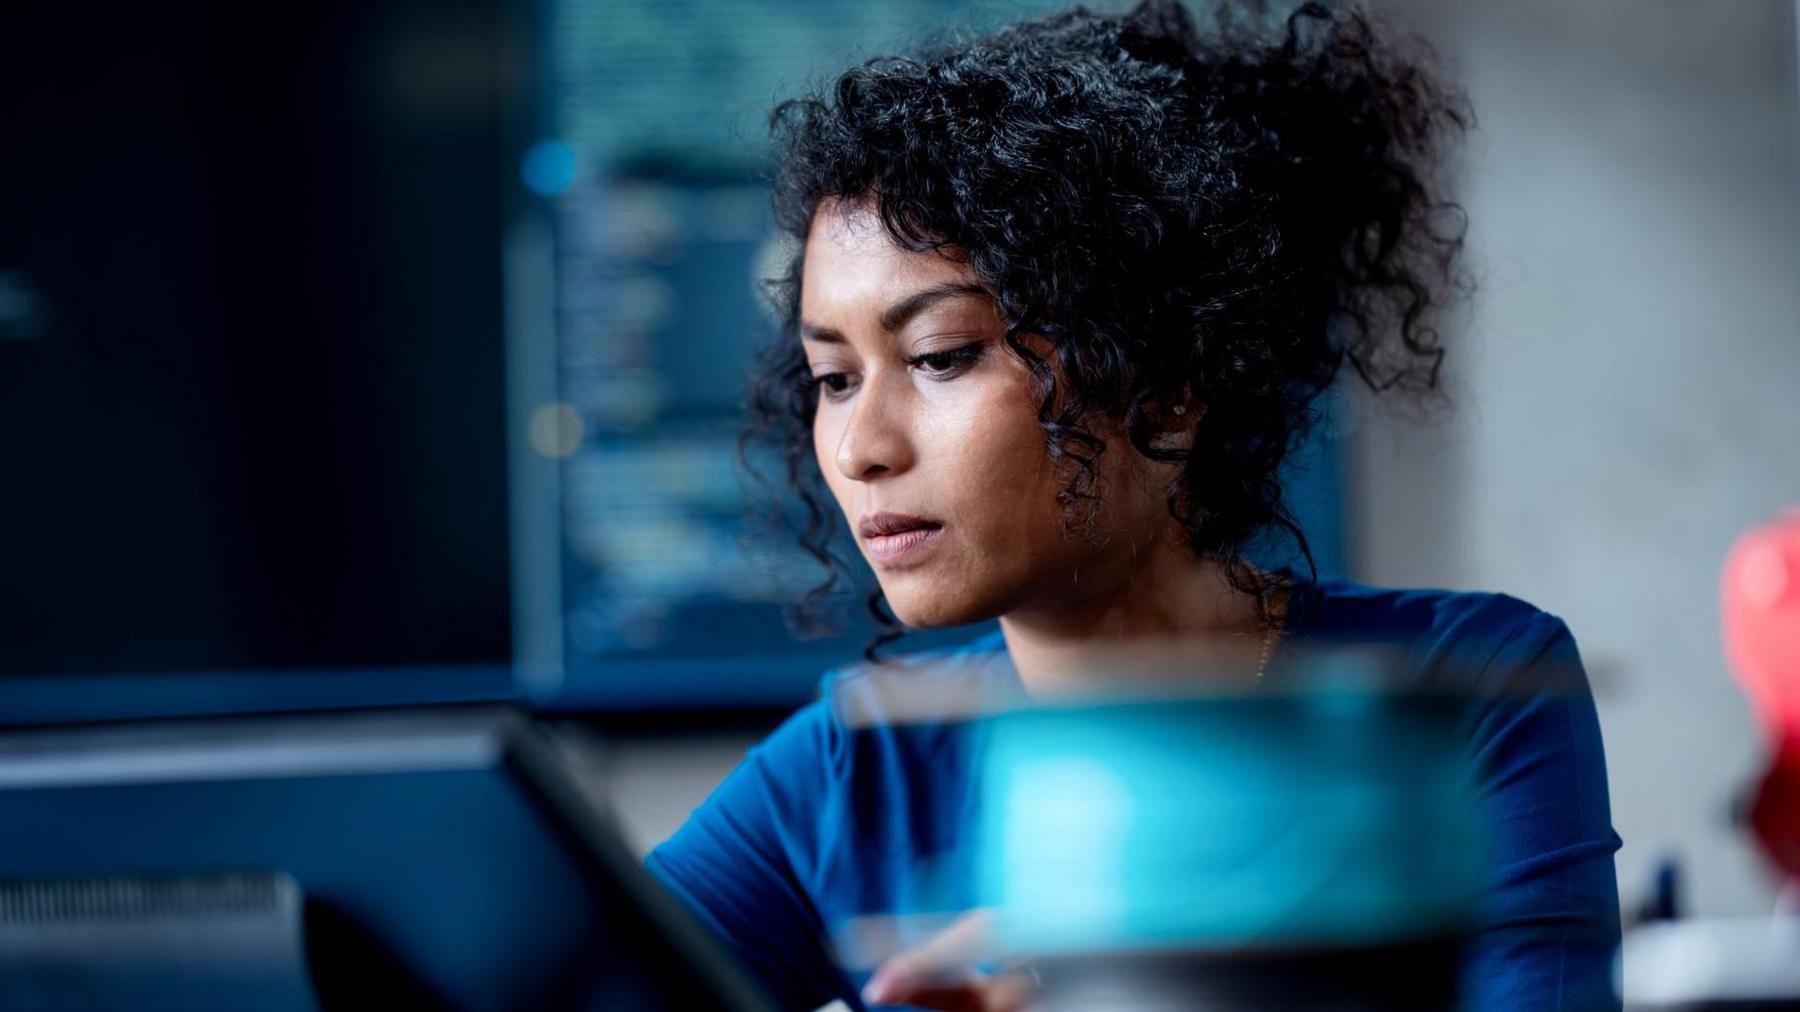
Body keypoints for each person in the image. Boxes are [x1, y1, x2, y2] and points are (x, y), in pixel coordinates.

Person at [647, 1, 1623, 1008]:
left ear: (1164, 387)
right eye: (833, 377)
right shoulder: (850, 771)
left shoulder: (1464, 692)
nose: (860, 448)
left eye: (940, 357)